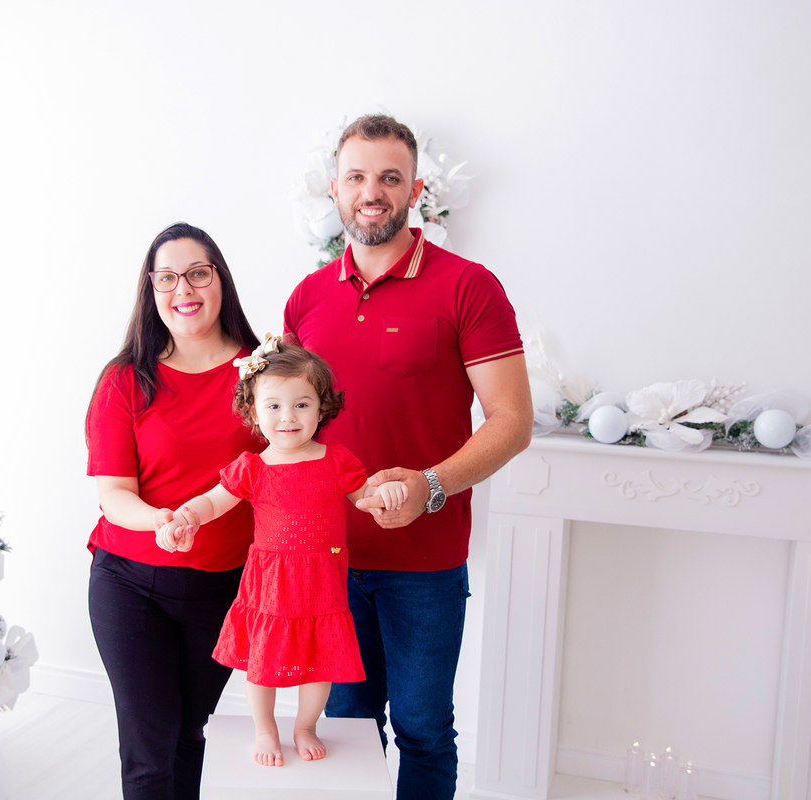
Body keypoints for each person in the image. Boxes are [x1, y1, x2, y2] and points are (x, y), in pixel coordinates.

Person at [283, 114, 534, 800]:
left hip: (424, 564)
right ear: (334, 190)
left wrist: (428, 486)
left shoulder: (468, 287)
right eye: (358, 177)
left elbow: (512, 422)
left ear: (415, 189)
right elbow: (286, 428)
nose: (373, 191)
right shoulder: (306, 299)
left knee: (423, 728)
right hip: (328, 559)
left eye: (390, 178)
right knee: (343, 728)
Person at [155, 337, 408, 767]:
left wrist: (388, 492)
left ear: (322, 406)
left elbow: (366, 495)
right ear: (253, 412)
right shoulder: (253, 467)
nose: (288, 417)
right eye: (273, 406)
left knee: (322, 662)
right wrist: (185, 517)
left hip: (322, 582)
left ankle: (305, 724)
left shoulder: (336, 461)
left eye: (302, 404)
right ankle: (265, 727)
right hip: (271, 582)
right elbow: (214, 501)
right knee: (263, 659)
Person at [85, 222, 264, 800]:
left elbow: (289, 468)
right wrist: (164, 521)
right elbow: (114, 493)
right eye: (166, 278)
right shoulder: (124, 380)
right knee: (149, 747)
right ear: (151, 290)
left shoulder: (262, 376)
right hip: (130, 580)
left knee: (188, 733)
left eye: (196, 273)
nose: (182, 289)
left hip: (223, 588)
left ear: (220, 281)